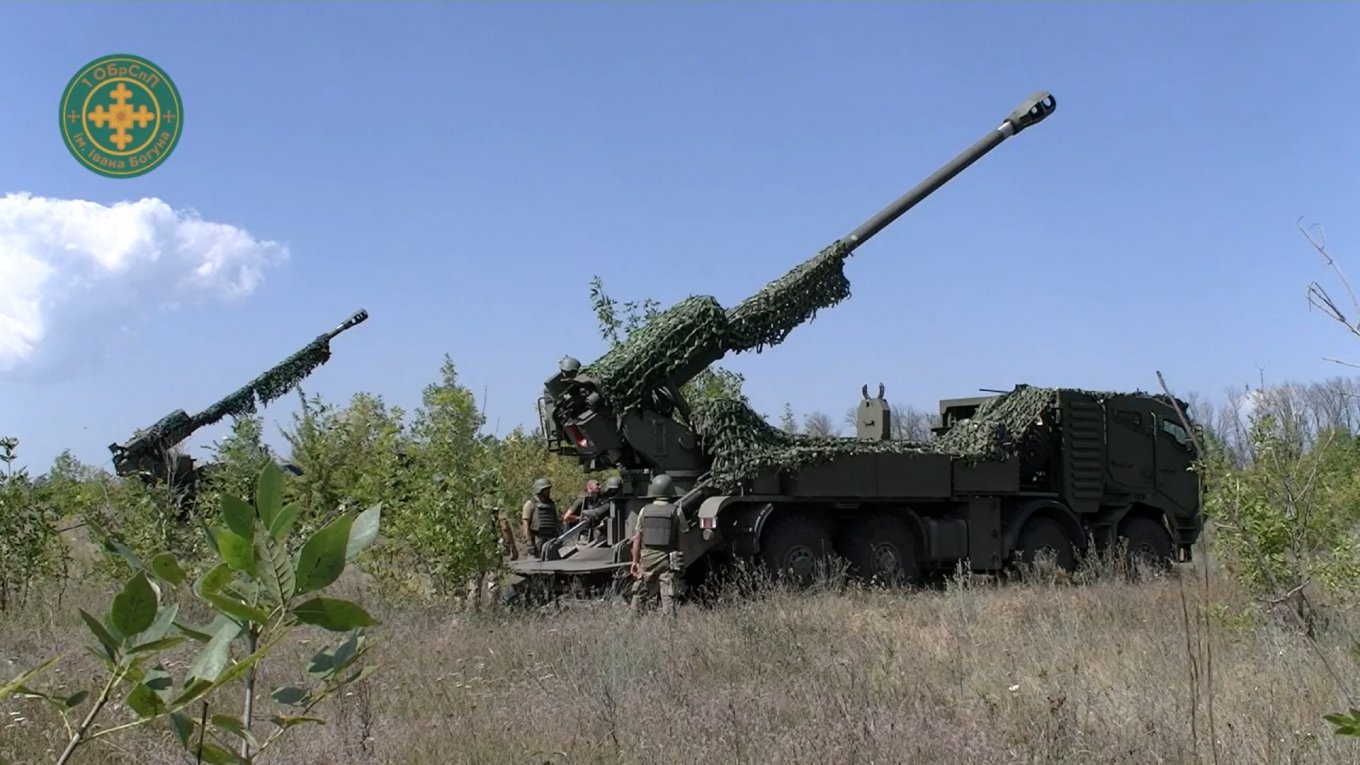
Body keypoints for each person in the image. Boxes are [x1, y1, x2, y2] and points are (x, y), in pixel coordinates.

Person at [629, 473, 689, 617]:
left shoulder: (644, 510)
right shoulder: (676, 511)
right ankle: (670, 627)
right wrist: (681, 558)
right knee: (668, 594)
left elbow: (637, 539)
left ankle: (632, 622)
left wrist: (635, 561)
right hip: (667, 558)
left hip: (647, 558)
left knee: (640, 591)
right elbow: (682, 539)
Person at [520, 477, 561, 557]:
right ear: (539, 490)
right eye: (546, 489)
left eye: (549, 489)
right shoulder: (530, 504)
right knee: (537, 564)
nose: (548, 491)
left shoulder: (551, 504)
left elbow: (555, 521)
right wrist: (529, 542)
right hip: (537, 539)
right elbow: (525, 525)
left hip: (551, 539)